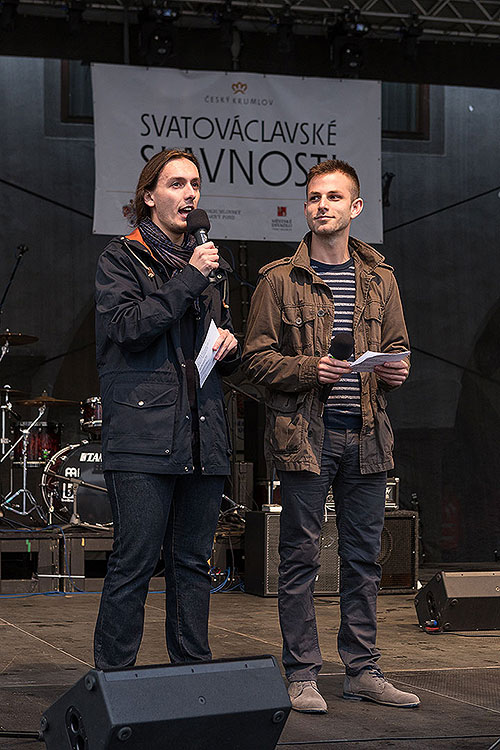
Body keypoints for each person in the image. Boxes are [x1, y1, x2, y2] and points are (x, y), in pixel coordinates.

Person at [242, 159, 419, 712]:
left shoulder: (379, 279)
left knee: (365, 558)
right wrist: (306, 369)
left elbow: (399, 349)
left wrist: (398, 368)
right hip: (305, 437)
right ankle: (302, 674)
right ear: (307, 208)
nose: (323, 205)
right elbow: (252, 363)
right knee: (300, 559)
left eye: (334, 197)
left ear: (355, 208)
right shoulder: (278, 279)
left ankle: (363, 670)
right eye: (315, 197)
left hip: (367, 435)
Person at [93, 148, 240, 669]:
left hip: (201, 434)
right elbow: (128, 328)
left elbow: (197, 350)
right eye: (176, 184)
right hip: (142, 436)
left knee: (192, 564)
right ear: (148, 197)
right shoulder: (121, 258)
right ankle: (112, 682)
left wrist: (228, 344)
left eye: (195, 184)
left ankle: (193, 676)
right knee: (134, 563)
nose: (189, 193)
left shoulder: (205, 266)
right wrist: (191, 280)